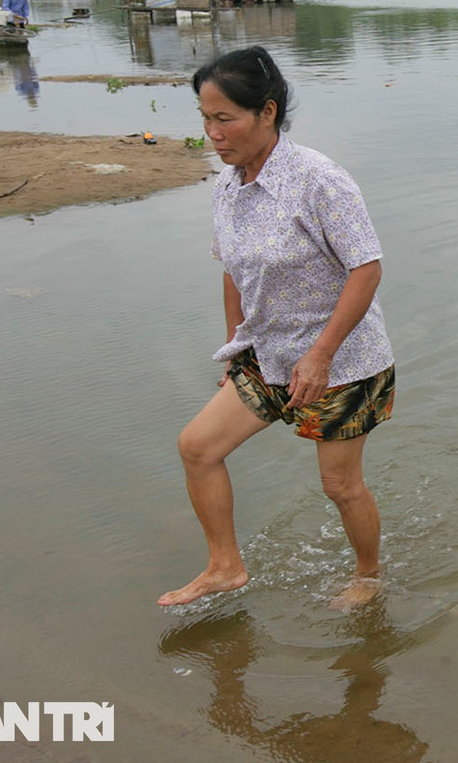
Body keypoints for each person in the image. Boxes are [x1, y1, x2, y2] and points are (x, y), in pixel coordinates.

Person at [158, 46, 396, 611]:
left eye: (225, 119)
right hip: (267, 355)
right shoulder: (229, 186)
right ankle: (225, 567)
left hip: (343, 361)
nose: (213, 134)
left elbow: (367, 269)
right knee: (197, 447)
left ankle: (369, 576)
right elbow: (233, 274)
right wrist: (235, 350)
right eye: (205, 120)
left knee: (340, 486)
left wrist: (320, 355)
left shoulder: (320, 181)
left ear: (266, 113)